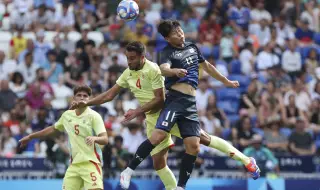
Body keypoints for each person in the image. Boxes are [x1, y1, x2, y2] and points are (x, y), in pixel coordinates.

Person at [71, 41, 260, 190]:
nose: (128, 62)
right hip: (151, 119)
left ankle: (246, 160)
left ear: (142, 57)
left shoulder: (153, 69)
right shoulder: (128, 73)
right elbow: (110, 95)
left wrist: (137, 111)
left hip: (168, 112)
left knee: (202, 139)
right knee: (158, 161)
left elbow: (160, 100)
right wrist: (87, 102)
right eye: (127, 58)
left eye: (132, 58)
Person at [19, 85, 108, 190]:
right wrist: (30, 137)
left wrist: (95, 138)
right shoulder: (67, 115)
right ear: (74, 98)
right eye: (79, 95)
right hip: (74, 165)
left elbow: (105, 139)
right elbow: (52, 129)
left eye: (85, 96)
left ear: (89, 99)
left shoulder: (94, 116)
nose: (82, 97)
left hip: (91, 163)